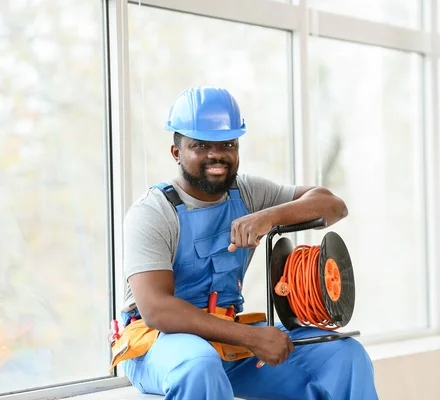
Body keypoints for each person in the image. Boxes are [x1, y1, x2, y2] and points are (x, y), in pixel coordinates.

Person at [118, 86, 379, 399]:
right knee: (199, 365)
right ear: (176, 152)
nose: (217, 154)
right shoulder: (153, 212)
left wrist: (268, 217)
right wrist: (250, 338)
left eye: (228, 143)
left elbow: (333, 204)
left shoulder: (248, 194)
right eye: (201, 145)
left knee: (344, 355)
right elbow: (157, 310)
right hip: (159, 342)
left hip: (228, 340)